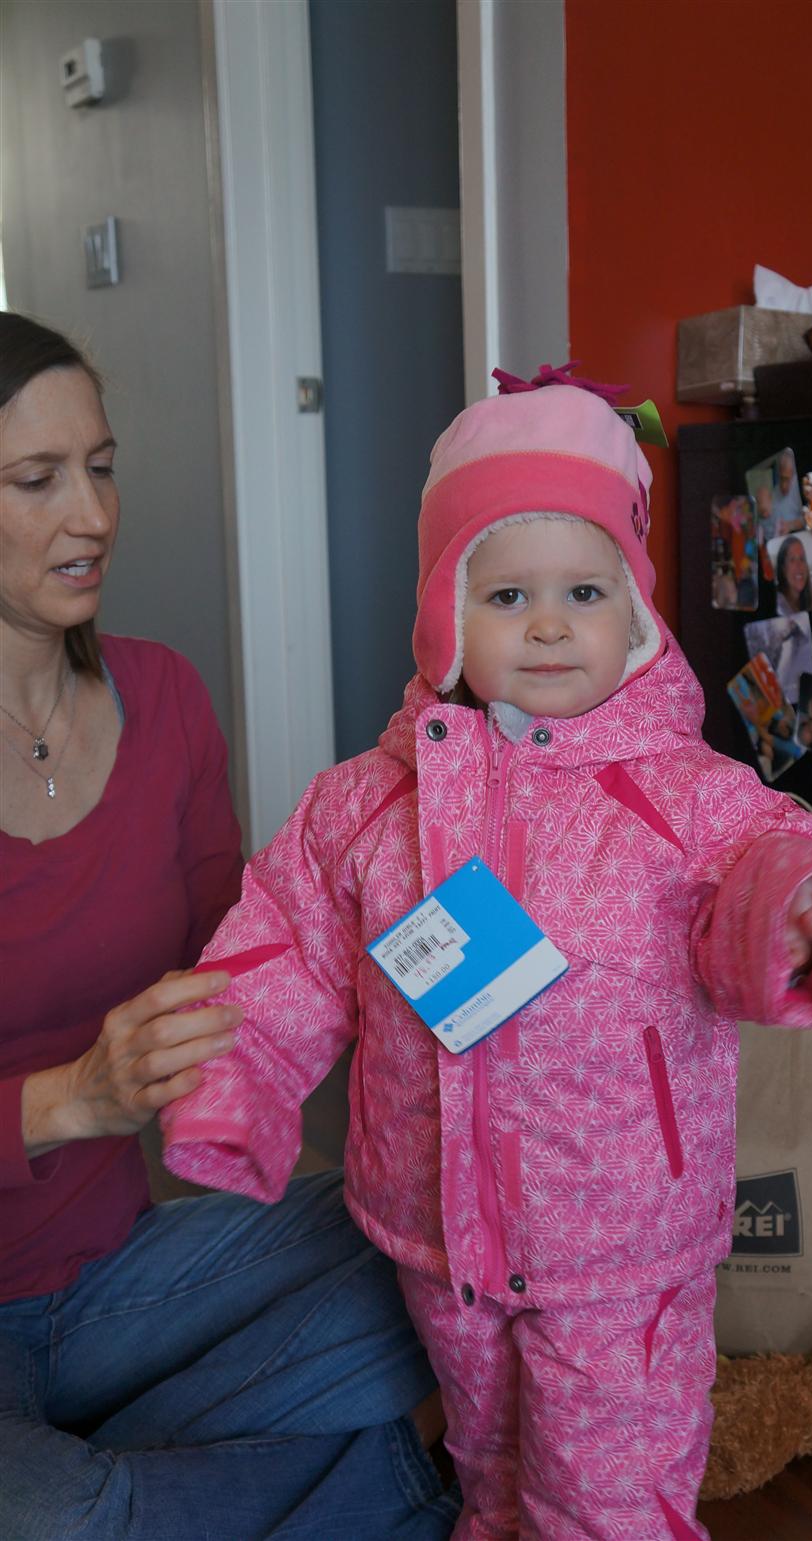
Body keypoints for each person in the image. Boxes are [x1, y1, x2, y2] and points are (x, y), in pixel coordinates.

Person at [160, 366, 812, 1539]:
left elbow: (759, 870)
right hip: (441, 1237)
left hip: (622, 1243)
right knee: (487, 1472)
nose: (547, 623)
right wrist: (232, 1090)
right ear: (445, 615)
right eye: (505, 594)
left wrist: (789, 908)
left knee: (607, 1499)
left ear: (632, 616)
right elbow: (285, 950)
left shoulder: (686, 797)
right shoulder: (366, 804)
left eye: (583, 590)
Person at [0, 312, 458, 1541]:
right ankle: (377, 1483)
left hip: (121, 1280)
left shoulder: (162, 696)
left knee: (463, 1234)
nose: (93, 514)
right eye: (38, 479)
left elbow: (246, 961)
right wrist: (70, 1098)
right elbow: (87, 1090)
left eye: (101, 466)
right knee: (50, 1515)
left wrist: (419, 927)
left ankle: (132, 1476)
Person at [775, 533, 812, 616]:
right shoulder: (778, 605)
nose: (799, 565)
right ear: (783, 569)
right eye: (792, 560)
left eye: (802, 559)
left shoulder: (811, 600)